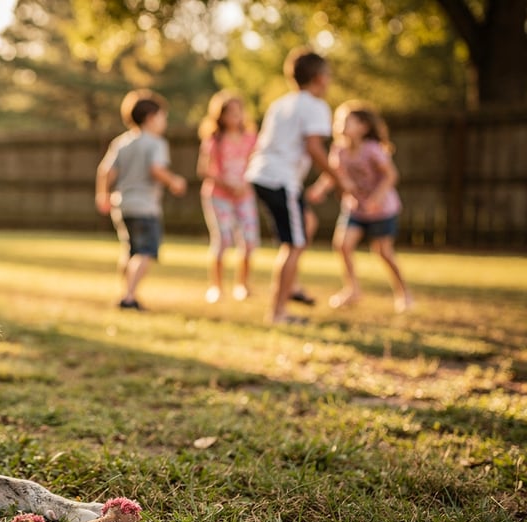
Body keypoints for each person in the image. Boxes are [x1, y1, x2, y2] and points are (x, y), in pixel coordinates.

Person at [245, 47, 350, 325]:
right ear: (318, 77)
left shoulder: (281, 103)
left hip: (261, 174)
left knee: (307, 222)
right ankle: (278, 312)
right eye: (327, 75)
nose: (329, 81)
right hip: (281, 179)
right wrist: (339, 180)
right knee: (294, 244)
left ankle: (290, 284)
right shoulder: (315, 106)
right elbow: (314, 149)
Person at [306, 101, 413, 313]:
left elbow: (391, 175)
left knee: (383, 252)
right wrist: (319, 189)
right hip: (355, 208)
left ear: (363, 127)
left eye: (346, 121)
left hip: (382, 209)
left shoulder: (372, 150)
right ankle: (352, 289)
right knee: (342, 244)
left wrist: (377, 198)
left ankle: (403, 293)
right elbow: (333, 174)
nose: (340, 125)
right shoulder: (339, 149)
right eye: (338, 121)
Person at [95, 89, 188, 310]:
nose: (164, 121)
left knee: (130, 250)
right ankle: (129, 296)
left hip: (123, 205)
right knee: (145, 252)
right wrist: (174, 181)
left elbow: (105, 171)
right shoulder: (156, 143)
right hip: (145, 207)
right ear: (151, 117)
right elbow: (155, 169)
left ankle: (126, 292)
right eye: (163, 116)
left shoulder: (122, 142)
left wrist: (103, 195)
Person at [196, 90, 259, 303]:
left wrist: (245, 184)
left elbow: (257, 164)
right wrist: (227, 183)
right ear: (220, 116)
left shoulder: (251, 138)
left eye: (238, 111)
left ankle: (242, 284)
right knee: (223, 240)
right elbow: (204, 169)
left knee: (249, 241)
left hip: (244, 195)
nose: (235, 116)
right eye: (230, 112)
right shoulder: (214, 140)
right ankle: (216, 287)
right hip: (219, 195)